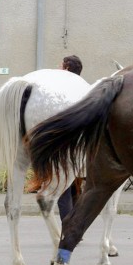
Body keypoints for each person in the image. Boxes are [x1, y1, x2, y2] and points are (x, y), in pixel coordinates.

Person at [57, 55, 83, 220]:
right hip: (81, 145)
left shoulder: (61, 88)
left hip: (66, 143)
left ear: (66, 68)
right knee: (75, 186)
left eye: (61, 65)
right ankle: (76, 225)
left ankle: (69, 227)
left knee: (63, 187)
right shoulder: (83, 87)